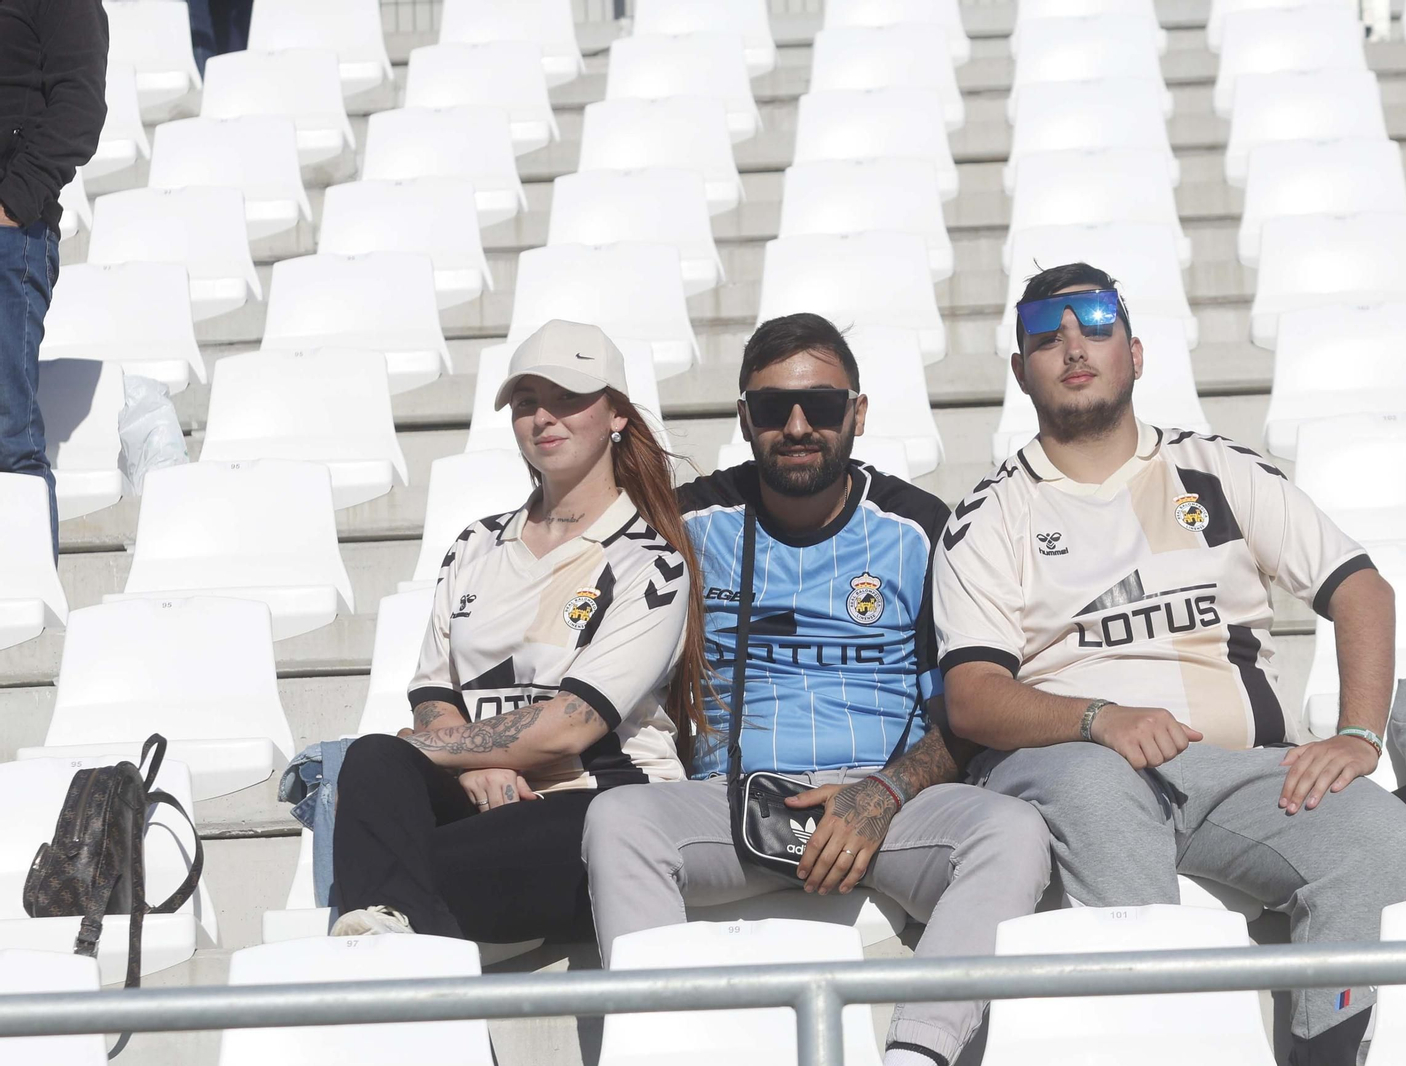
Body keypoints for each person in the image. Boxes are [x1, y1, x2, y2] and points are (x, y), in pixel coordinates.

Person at [934, 263, 1406, 1066]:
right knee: (1097, 786)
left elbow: (1361, 589)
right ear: (1020, 371)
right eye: (1044, 334)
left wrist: (1360, 735)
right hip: (1072, 763)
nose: (1072, 345)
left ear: (1135, 350)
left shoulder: (1218, 469)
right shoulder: (991, 515)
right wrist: (1098, 720)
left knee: (1373, 830)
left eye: (1094, 322)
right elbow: (974, 697)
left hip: (1235, 771)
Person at [583, 314, 1052, 1066]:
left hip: (886, 809)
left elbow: (971, 706)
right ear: (744, 420)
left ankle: (915, 1056)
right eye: (771, 409)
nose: (797, 426)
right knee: (617, 822)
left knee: (1012, 832)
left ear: (857, 414)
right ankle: (664, 1052)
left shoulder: (923, 528)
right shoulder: (685, 523)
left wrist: (882, 794)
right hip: (736, 807)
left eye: (823, 406)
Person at [329, 320, 710, 943]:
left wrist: (439, 751)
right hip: (482, 806)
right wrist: (466, 768)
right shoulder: (474, 546)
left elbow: (571, 725)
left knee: (406, 822)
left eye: (568, 399)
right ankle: (398, 928)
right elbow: (434, 698)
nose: (544, 418)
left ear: (617, 414)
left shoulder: (651, 560)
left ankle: (394, 922)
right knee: (373, 760)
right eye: (527, 402)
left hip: (599, 805)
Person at [0, 0, 108, 556]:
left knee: (7, 441)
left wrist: (12, 203)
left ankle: (29, 608)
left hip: (9, 237)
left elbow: (80, 109)